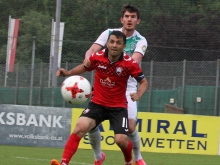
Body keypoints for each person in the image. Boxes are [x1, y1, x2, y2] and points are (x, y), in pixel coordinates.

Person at [51, 31, 148, 165]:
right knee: (80, 127)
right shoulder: (97, 57)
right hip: (97, 104)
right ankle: (63, 163)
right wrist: (68, 73)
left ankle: (128, 161)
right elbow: (85, 67)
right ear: (107, 43)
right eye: (112, 41)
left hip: (118, 107)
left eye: (118, 43)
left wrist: (138, 94)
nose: (114, 45)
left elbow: (144, 82)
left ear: (124, 46)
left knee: (120, 140)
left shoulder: (129, 63)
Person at [84, 4, 148, 165]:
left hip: (127, 88)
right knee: (90, 124)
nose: (129, 20)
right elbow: (92, 50)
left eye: (133, 17)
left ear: (137, 21)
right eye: (127, 16)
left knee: (130, 128)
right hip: (104, 85)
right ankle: (98, 157)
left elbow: (134, 61)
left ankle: (138, 158)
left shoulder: (141, 40)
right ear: (122, 19)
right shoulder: (109, 33)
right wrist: (88, 60)